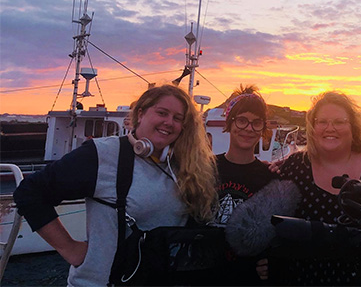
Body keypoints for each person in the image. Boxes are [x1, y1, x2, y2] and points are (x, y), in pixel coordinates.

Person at [13, 84, 218, 286]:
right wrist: (69, 248)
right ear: (140, 114)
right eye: (162, 113)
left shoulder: (185, 166)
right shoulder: (104, 154)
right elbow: (30, 193)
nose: (169, 122)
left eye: (178, 118)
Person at [271, 91, 361, 285]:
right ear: (313, 127)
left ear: (353, 127)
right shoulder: (295, 166)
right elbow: (274, 221)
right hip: (301, 278)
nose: (330, 128)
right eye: (322, 122)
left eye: (339, 122)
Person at [212, 84, 279, 285]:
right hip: (205, 274)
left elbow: (275, 233)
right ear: (229, 123)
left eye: (256, 123)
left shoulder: (271, 178)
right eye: (241, 121)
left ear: (262, 129)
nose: (248, 129)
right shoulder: (205, 169)